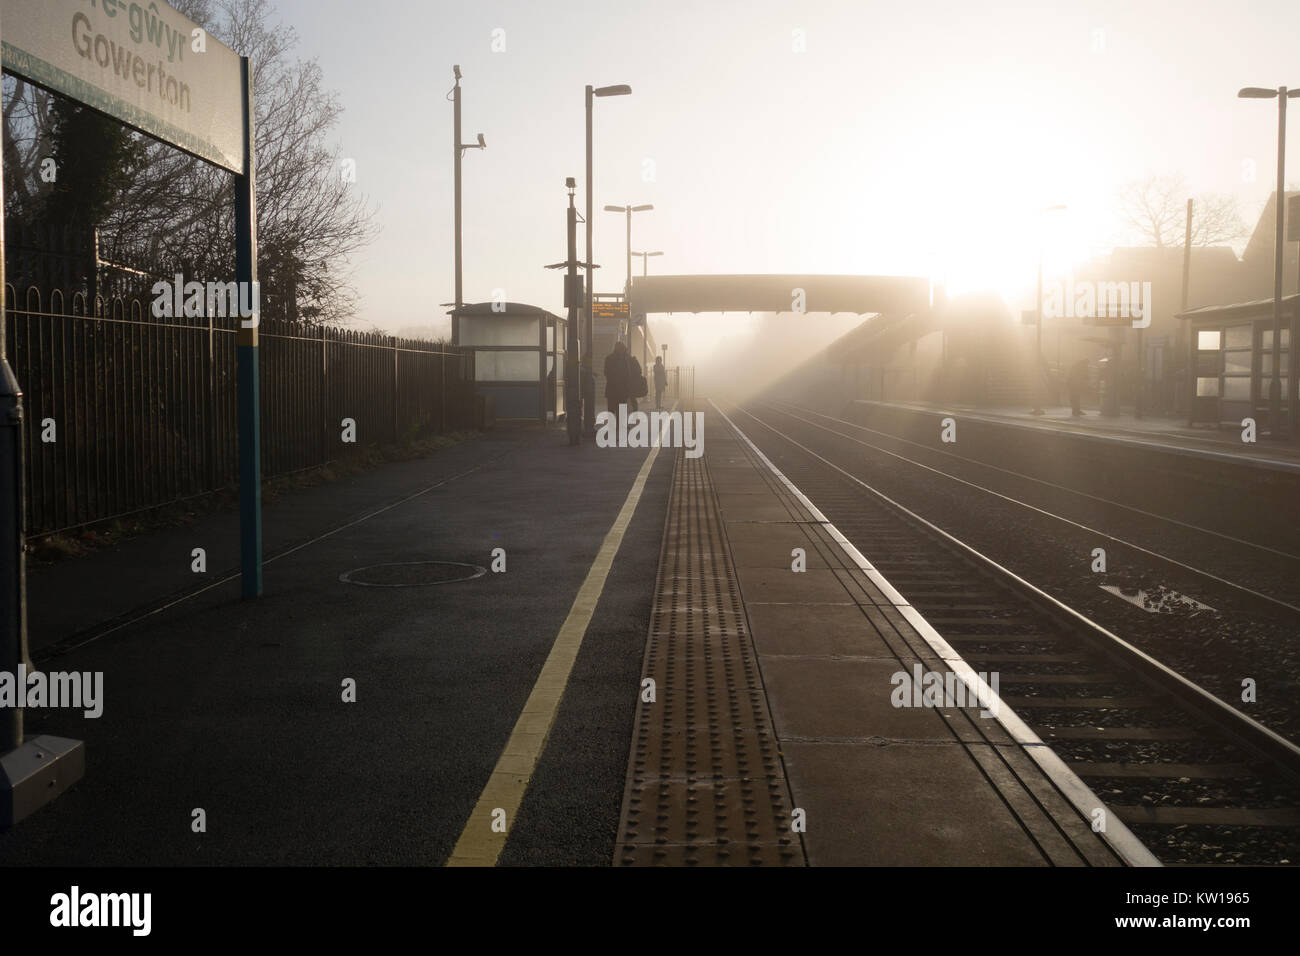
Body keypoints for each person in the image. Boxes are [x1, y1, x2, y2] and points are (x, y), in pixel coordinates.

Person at [603, 339, 633, 415]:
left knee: (611, 411)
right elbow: (627, 374)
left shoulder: (608, 358)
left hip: (611, 389)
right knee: (621, 411)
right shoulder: (624, 359)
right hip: (622, 390)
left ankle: (612, 426)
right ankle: (621, 426)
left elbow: (606, 373)